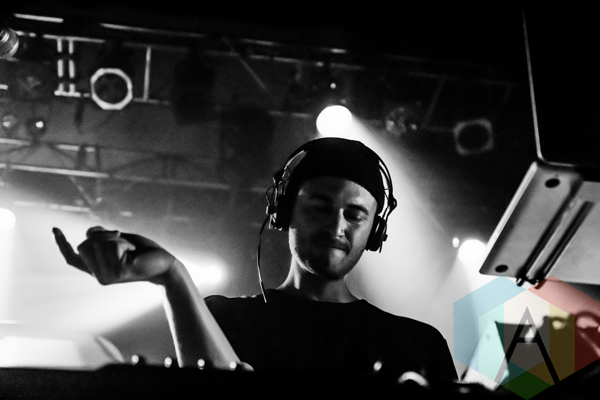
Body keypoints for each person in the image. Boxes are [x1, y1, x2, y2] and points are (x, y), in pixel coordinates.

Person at [53, 137, 457, 387]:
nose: (337, 226)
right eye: (319, 207)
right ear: (283, 213)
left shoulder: (418, 344)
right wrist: (172, 276)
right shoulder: (221, 320)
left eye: (355, 215)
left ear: (375, 232)